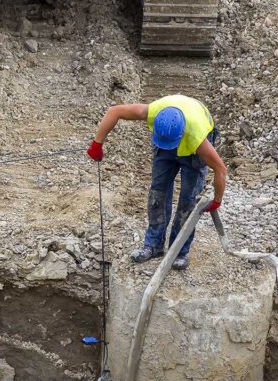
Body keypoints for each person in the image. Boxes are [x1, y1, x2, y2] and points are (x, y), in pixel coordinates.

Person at [87, 94, 226, 271]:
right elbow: (115, 111)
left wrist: (217, 201)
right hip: (167, 136)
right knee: (157, 193)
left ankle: (179, 251)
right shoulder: (152, 111)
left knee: (188, 201)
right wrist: (97, 143)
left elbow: (221, 170)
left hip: (193, 143)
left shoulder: (198, 139)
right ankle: (153, 245)